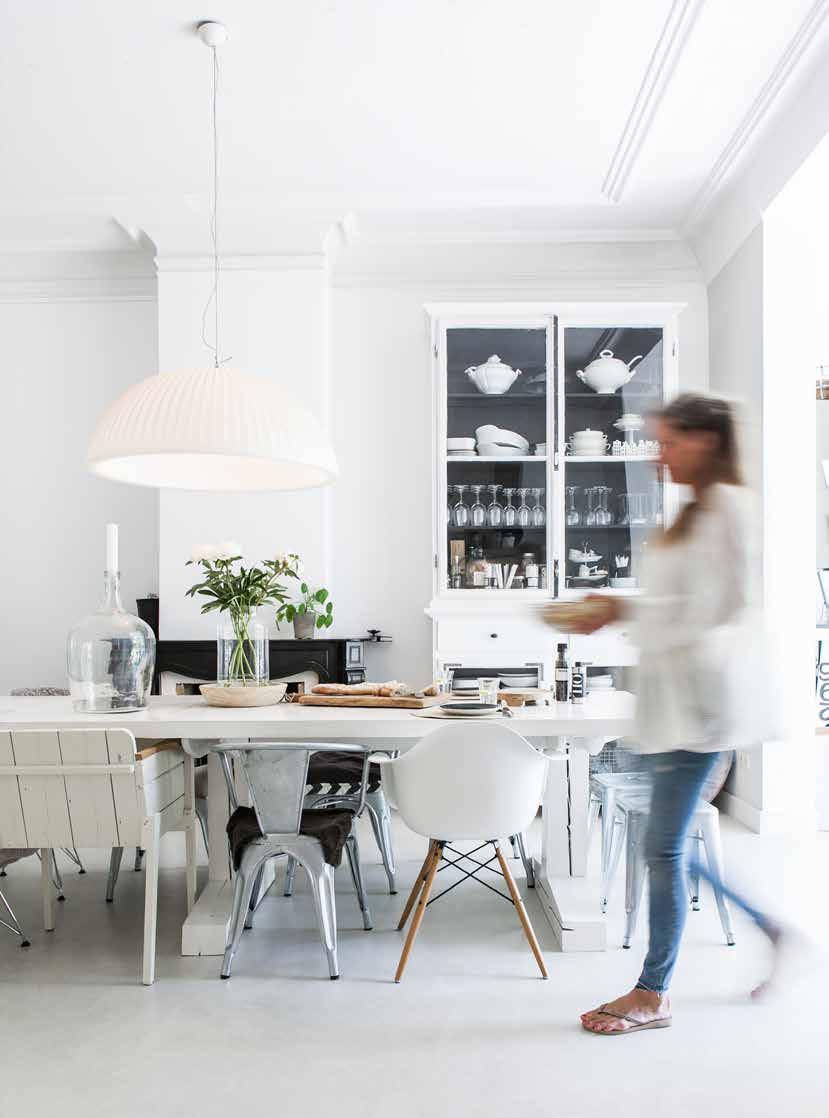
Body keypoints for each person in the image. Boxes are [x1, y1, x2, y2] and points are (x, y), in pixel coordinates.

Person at [570, 393, 781, 1037]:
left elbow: (723, 611)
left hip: (703, 709)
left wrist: (626, 613)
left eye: (670, 442)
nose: (659, 457)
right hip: (669, 705)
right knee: (667, 847)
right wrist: (626, 607)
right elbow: (679, 603)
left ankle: (653, 992)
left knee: (661, 846)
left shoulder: (732, 512)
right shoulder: (691, 514)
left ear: (708, 441)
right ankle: (774, 930)